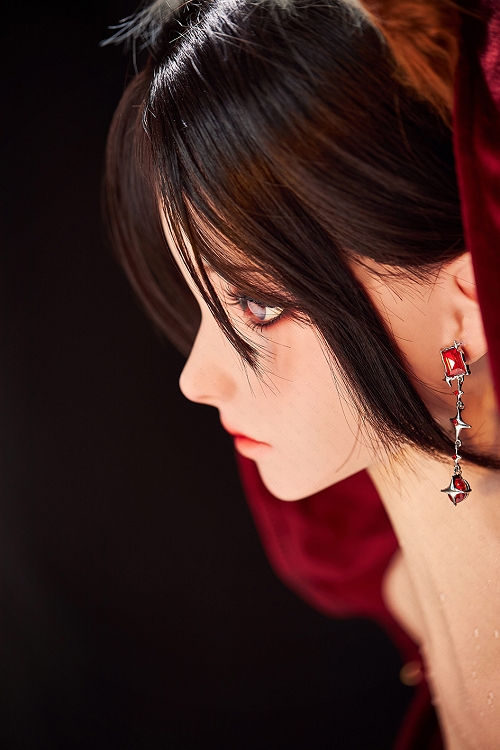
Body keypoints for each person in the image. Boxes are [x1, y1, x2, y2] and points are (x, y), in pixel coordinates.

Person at [103, 0, 500, 747]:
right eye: (200, 300)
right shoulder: (374, 558)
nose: (195, 379)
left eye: (257, 306)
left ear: (469, 299)